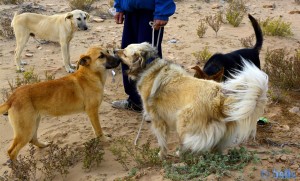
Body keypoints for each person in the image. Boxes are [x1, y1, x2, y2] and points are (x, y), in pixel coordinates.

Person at [112, 0, 176, 112]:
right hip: (130, 10)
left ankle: (155, 106)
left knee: (149, 59)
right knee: (127, 55)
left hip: (149, 12)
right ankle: (135, 101)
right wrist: (119, 6)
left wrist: (162, 12)